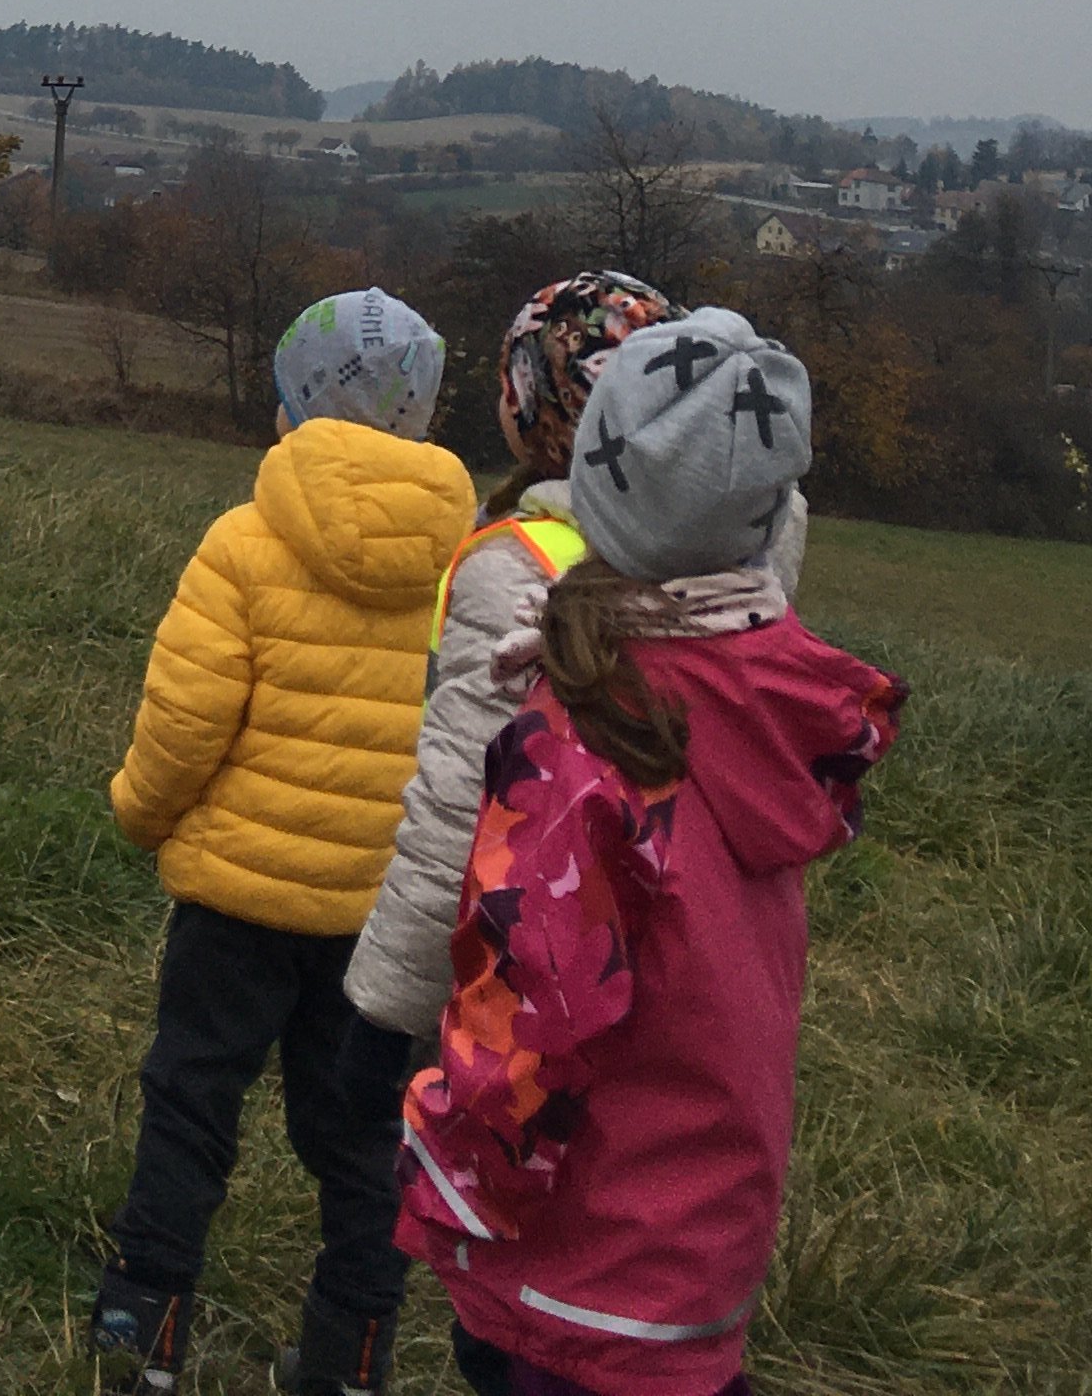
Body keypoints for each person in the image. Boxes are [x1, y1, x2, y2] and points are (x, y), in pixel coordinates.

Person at [393, 312, 903, 1396]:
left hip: (575, 1262)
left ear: (598, 481)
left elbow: (529, 1019)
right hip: (704, 1243)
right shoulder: (774, 704)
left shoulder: (581, 744)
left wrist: (448, 1169)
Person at [91, 290, 475, 1396]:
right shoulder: (469, 562)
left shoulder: (244, 544)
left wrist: (140, 812)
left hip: (236, 904)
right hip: (386, 914)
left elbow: (185, 723)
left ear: (288, 407)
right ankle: (351, 1355)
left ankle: (142, 1333)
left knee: (190, 1106)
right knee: (364, 1139)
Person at [343, 273, 808, 1060]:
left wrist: (388, 1003)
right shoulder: (745, 556)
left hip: (518, 980)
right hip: (697, 983)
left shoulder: (517, 567)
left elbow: (461, 812)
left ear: (543, 409)